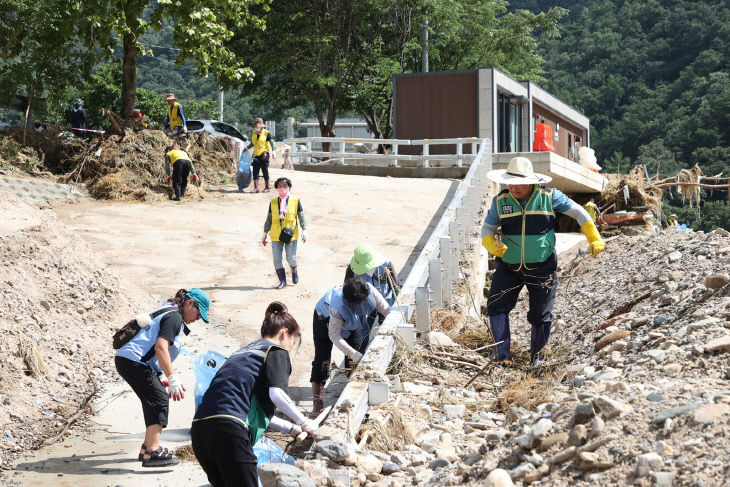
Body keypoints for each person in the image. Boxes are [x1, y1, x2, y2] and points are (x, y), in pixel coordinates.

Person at [481, 156, 605, 367]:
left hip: (542, 266)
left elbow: (579, 212)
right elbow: (488, 228)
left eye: (519, 183)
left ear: (531, 182)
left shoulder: (549, 196)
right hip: (509, 266)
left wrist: (593, 237)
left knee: (540, 313)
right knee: (496, 307)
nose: (513, 187)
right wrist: (490, 244)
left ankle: (537, 358)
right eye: (510, 182)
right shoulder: (500, 201)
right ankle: (501, 355)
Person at [192, 301, 317, 487]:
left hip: (200, 431)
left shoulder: (242, 353)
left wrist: (290, 428)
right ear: (284, 333)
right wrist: (304, 422)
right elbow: (276, 394)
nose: (289, 349)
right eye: (292, 342)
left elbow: (249, 410)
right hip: (229, 433)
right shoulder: (276, 351)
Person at [115, 288, 210, 467]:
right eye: (198, 315)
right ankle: (152, 451)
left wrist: (158, 376)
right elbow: (160, 348)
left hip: (129, 360)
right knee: (158, 400)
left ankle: (146, 449)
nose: (196, 320)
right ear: (190, 303)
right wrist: (172, 377)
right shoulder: (174, 317)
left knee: (154, 398)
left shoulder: (169, 309)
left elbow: (151, 346)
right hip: (134, 361)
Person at [310, 277, 391, 413]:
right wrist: (352, 354)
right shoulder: (337, 306)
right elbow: (334, 335)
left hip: (352, 321)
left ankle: (353, 395)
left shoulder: (367, 289)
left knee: (357, 353)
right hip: (324, 321)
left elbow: (386, 310)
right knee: (323, 360)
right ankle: (317, 404)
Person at [344, 244, 400, 349]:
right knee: (363, 332)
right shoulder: (352, 269)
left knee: (387, 327)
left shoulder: (386, 266)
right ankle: (360, 354)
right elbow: (348, 291)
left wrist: (396, 308)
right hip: (365, 305)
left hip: (384, 300)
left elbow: (396, 287)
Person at [261, 177, 307, 289]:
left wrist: (304, 230)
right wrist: (264, 233)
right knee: (276, 258)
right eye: (280, 186)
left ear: (289, 187)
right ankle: (283, 281)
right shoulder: (273, 202)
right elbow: (269, 218)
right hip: (276, 234)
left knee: (291, 258)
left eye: (284, 186)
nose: (282, 188)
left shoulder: (296, 201)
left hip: (290, 234)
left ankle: (294, 270)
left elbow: (301, 216)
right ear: (277, 188)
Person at [248, 117, 276, 193]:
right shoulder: (253, 134)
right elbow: (252, 143)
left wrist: (274, 151)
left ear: (261, 127)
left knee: (265, 171)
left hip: (264, 154)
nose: (256, 129)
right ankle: (256, 188)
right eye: (255, 127)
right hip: (256, 155)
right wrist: (246, 148)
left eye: (257, 127)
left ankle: (267, 187)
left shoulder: (266, 133)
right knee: (255, 171)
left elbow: (272, 142)